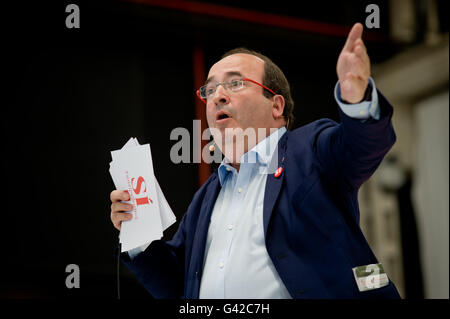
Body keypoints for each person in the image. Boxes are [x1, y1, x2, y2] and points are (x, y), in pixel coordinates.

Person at [110, 23, 401, 299]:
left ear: (276, 105)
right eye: (209, 90)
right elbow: (178, 286)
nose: (217, 96)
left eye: (234, 83)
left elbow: (363, 146)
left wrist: (357, 99)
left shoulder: (310, 150)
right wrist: (138, 235)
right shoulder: (206, 197)